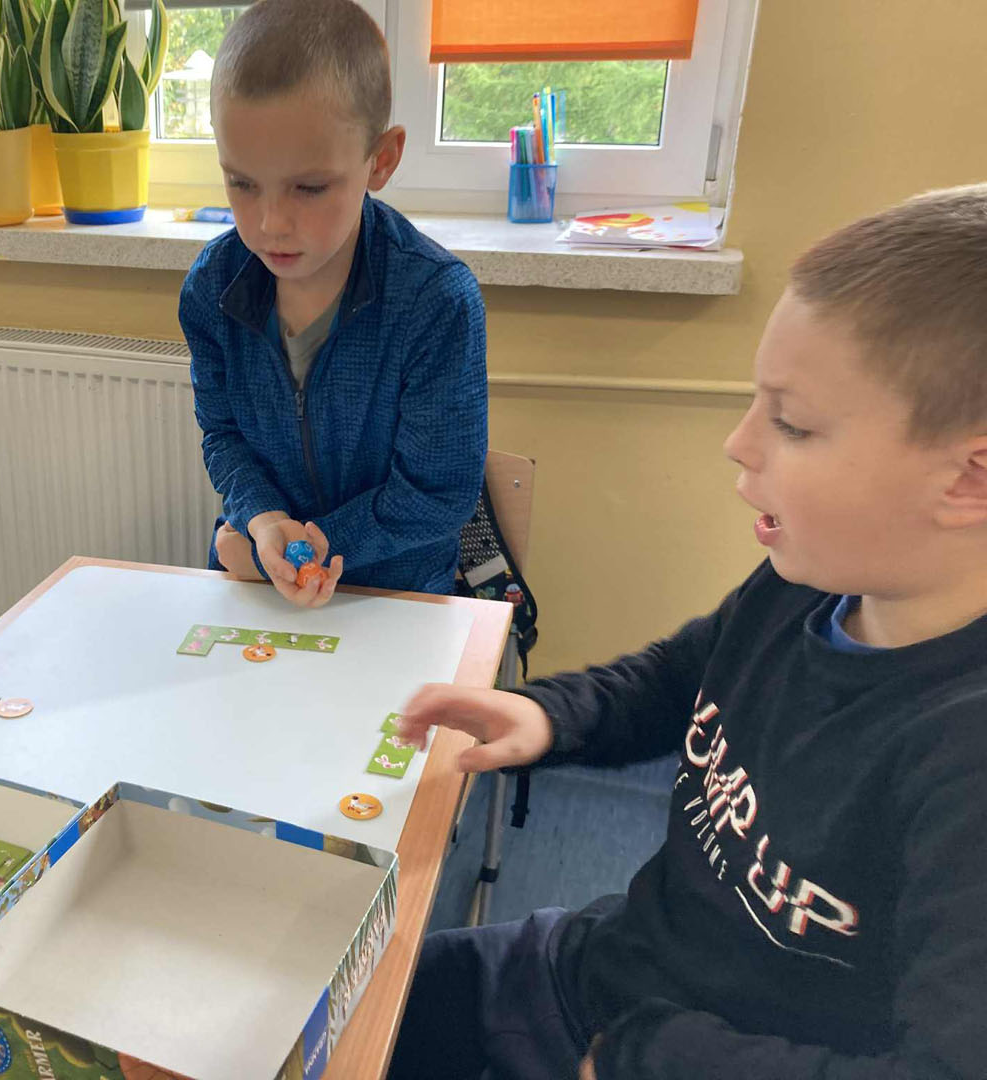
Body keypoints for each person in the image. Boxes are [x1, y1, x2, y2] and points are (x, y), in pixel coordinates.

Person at [389, 185, 987, 1080]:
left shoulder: (961, 757)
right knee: (350, 1009)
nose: (739, 442)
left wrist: (646, 1056)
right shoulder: (807, 584)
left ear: (969, 478)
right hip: (601, 969)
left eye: (793, 423)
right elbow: (681, 677)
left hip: (658, 1052)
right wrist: (550, 716)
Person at [180, 0, 488, 609]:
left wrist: (293, 553)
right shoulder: (211, 288)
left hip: (394, 596)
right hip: (258, 582)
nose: (270, 224)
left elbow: (435, 496)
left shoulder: (436, 302)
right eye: (242, 183)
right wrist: (264, 521)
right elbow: (223, 435)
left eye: (310, 187)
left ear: (382, 160)